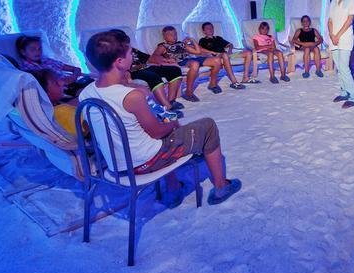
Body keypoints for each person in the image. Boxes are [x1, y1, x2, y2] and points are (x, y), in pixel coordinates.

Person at [79, 31, 241, 206]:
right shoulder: (131, 97)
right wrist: (173, 123)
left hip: (117, 164)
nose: (132, 56)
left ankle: (173, 189)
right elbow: (156, 132)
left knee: (159, 128)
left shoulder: (86, 93)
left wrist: (130, 86)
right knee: (207, 125)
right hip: (145, 162)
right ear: (119, 62)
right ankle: (221, 187)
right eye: (130, 53)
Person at [150, 26, 211, 103]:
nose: (174, 36)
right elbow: (154, 57)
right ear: (164, 36)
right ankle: (189, 92)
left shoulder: (181, 44)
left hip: (188, 60)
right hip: (178, 62)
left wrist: (192, 40)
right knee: (195, 64)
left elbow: (198, 52)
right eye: (171, 35)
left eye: (175, 34)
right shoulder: (163, 46)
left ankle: (210, 85)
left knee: (207, 61)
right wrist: (167, 60)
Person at [327, 0, 354, 108]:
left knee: (344, 67)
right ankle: (344, 92)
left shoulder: (352, 0)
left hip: (345, 38)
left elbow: (349, 21)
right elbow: (330, 20)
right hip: (333, 38)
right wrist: (332, 35)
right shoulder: (333, 2)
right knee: (339, 67)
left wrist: (338, 35)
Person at [196, 22, 247, 93]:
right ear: (204, 31)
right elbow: (201, 50)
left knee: (248, 53)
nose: (210, 29)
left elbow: (230, 45)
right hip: (217, 57)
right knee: (224, 55)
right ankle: (234, 82)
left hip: (228, 55)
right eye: (208, 28)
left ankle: (245, 78)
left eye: (211, 28)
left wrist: (230, 51)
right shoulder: (203, 40)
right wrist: (210, 54)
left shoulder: (218, 38)